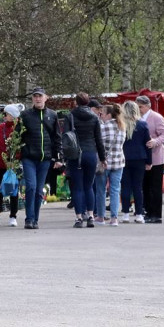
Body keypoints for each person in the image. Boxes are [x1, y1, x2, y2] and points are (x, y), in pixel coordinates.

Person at [19, 87, 61, 230]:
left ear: (45, 98)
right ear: (32, 98)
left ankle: (35, 219)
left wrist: (58, 157)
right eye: (35, 96)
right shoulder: (25, 115)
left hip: (45, 158)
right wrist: (17, 153)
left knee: (38, 190)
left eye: (40, 96)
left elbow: (57, 137)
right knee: (30, 187)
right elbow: (18, 135)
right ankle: (29, 218)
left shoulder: (52, 115)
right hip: (29, 157)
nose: (37, 99)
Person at [65, 92, 106, 228]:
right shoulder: (94, 117)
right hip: (90, 153)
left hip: (75, 155)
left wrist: (64, 157)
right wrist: (103, 158)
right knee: (89, 186)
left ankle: (79, 218)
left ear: (76, 102)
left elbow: (66, 137)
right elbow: (99, 140)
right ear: (88, 102)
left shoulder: (70, 116)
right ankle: (91, 216)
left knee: (77, 188)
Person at [137, 95, 164, 223]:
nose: (139, 109)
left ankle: (156, 214)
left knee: (155, 186)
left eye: (140, 107)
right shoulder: (137, 118)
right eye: (137, 107)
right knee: (145, 185)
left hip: (156, 157)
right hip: (142, 157)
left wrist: (155, 141)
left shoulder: (157, 117)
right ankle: (148, 212)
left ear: (147, 106)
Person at [120, 100, 151, 222]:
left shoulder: (120, 124)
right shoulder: (142, 124)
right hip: (139, 158)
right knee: (138, 187)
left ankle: (125, 214)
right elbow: (147, 144)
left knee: (125, 187)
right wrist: (149, 161)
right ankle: (139, 214)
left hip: (124, 157)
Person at [99, 104, 126, 225]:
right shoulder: (122, 126)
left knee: (101, 190)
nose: (101, 116)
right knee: (115, 190)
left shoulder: (103, 127)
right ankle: (114, 218)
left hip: (104, 162)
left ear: (109, 115)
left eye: (102, 114)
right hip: (119, 161)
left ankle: (101, 216)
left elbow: (98, 143)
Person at [90, 99, 108, 223]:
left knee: (97, 186)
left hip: (97, 156)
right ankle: (93, 210)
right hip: (92, 155)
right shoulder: (94, 120)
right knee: (92, 185)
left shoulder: (99, 120)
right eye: (97, 109)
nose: (99, 111)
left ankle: (97, 211)